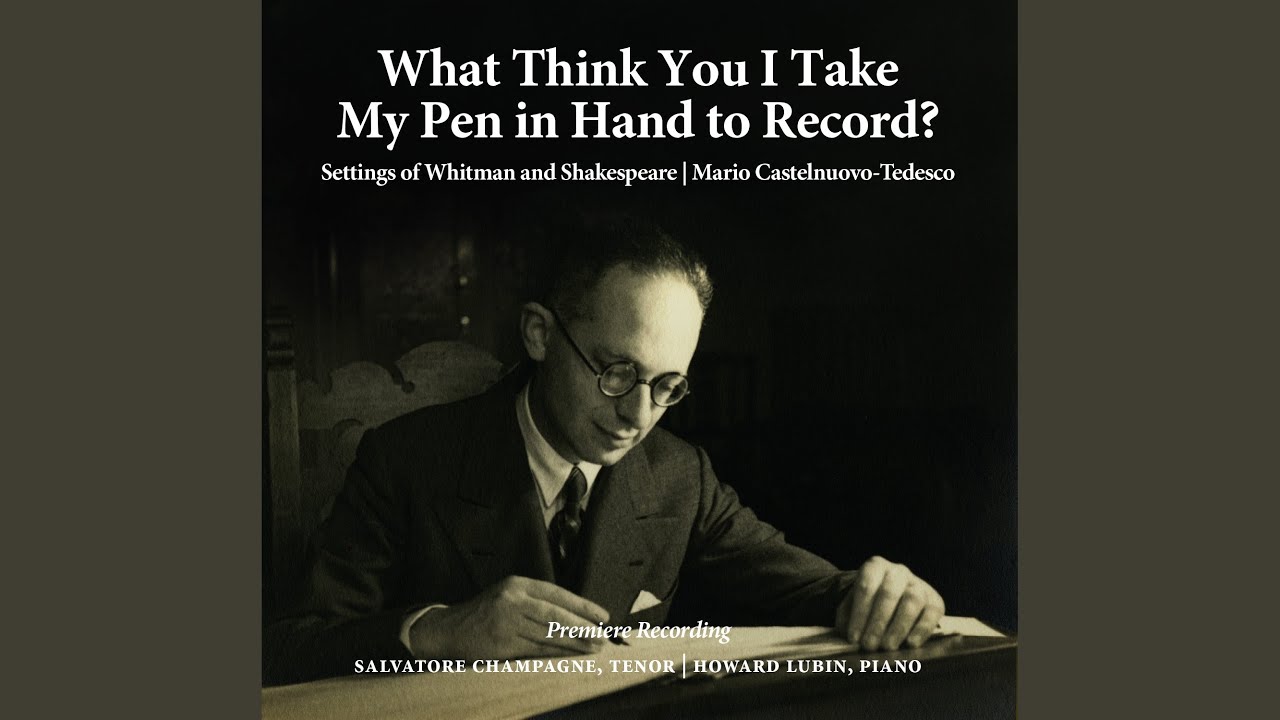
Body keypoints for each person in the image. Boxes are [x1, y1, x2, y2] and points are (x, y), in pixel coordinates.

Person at [263, 216, 945, 685]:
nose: (638, 416)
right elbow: (287, 649)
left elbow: (809, 589)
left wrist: (881, 593)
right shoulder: (406, 460)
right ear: (539, 334)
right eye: (617, 372)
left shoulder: (679, 476)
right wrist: (438, 632)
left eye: (668, 386)